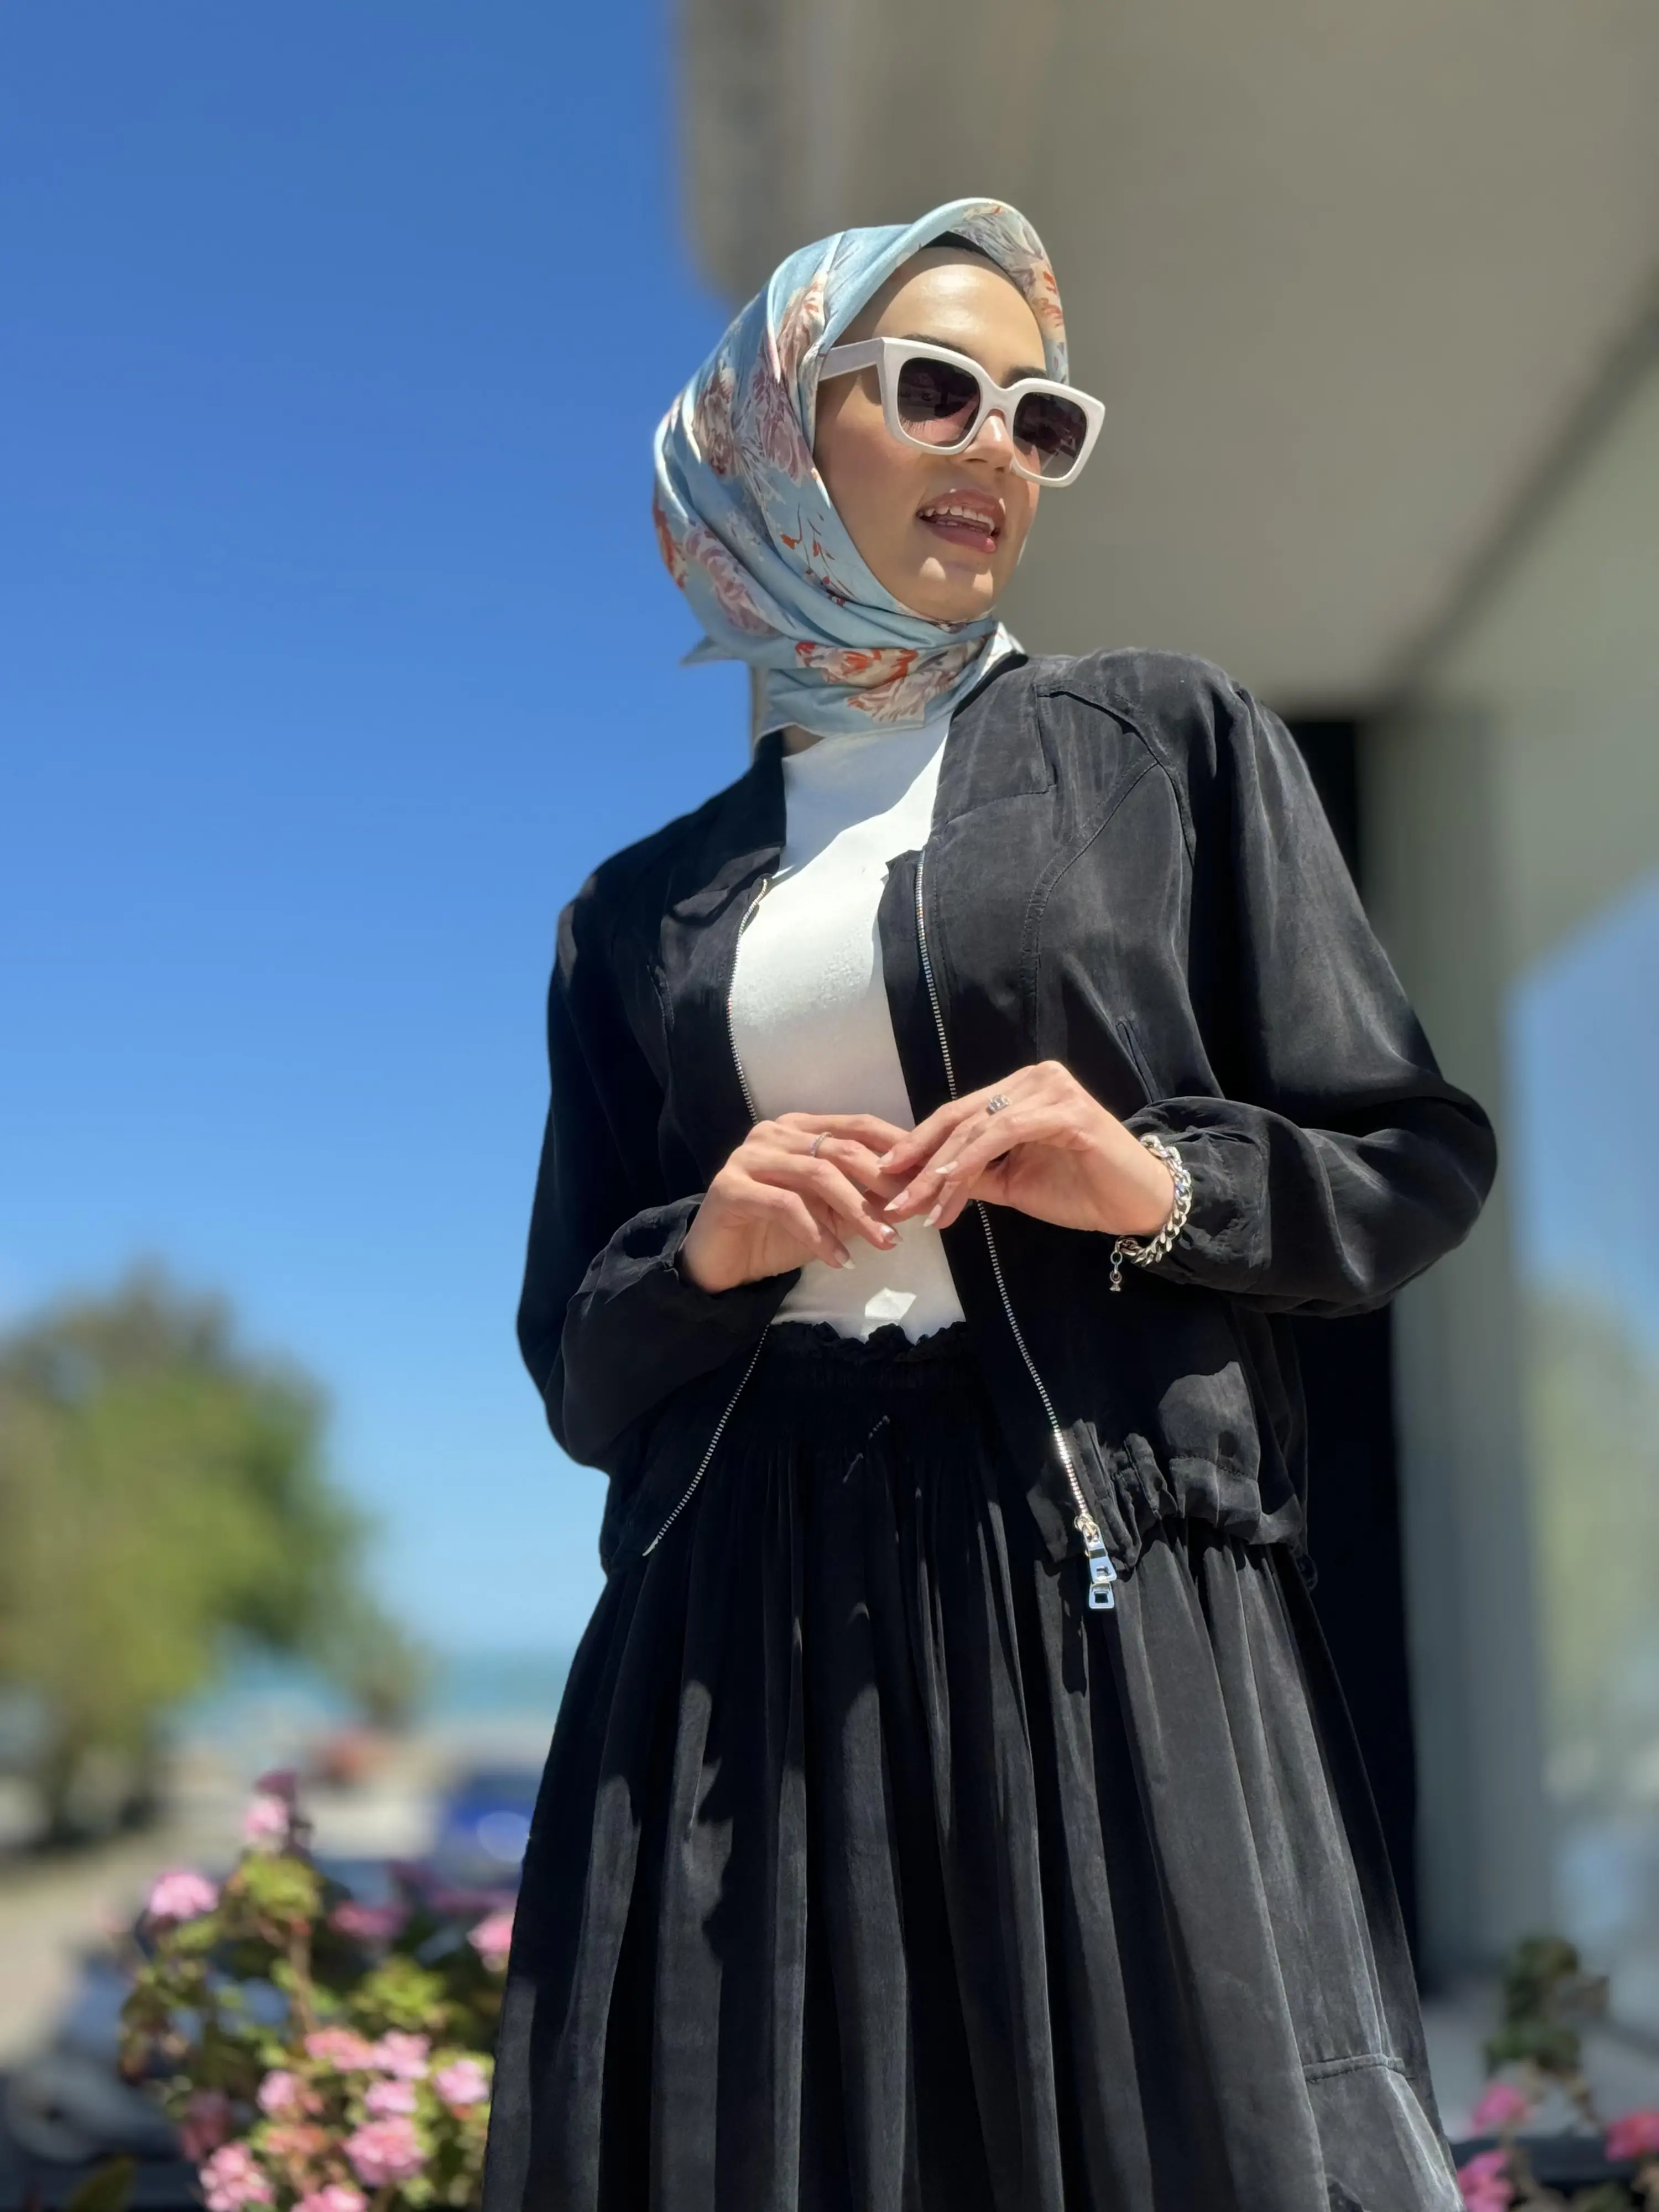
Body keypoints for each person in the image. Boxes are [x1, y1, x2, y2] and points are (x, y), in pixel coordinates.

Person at [481, 197, 1496, 2212]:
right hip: (740, 1622)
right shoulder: (637, 911)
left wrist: (1157, 1181)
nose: (998, 454)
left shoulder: (1165, 745)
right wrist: (709, 1248)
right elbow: (580, 1375)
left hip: (1091, 1578)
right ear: (777, 433)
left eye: (1043, 419)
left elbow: (1408, 1164)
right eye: (936, 392)